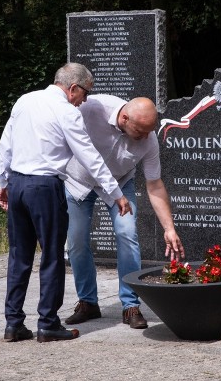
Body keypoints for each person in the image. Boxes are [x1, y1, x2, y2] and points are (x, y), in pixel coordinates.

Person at [0, 63, 131, 343]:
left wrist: (3, 182)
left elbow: (5, 143)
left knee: (19, 255)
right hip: (45, 187)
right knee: (52, 256)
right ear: (73, 88)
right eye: (85, 93)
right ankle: (48, 323)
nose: (86, 100)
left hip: (18, 184)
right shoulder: (67, 112)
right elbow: (88, 155)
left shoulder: (25, 100)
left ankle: (13, 324)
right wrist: (116, 192)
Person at [63, 95, 185, 329]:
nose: (145, 137)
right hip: (79, 180)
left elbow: (155, 184)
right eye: (140, 131)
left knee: (127, 234)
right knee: (76, 241)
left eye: (149, 131)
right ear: (124, 117)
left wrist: (169, 228)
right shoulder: (92, 108)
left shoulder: (149, 140)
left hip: (119, 184)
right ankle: (88, 302)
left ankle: (130, 305)